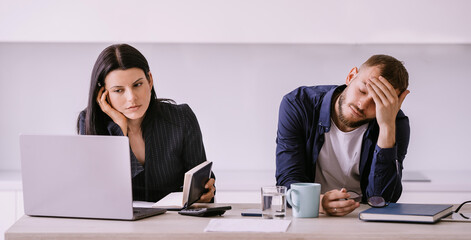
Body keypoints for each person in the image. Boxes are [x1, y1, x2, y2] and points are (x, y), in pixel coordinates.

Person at [77, 43, 215, 203]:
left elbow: (202, 181)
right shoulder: (89, 121)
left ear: (150, 81)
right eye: (118, 90)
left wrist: (207, 190)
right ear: (103, 93)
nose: (131, 98)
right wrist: (119, 130)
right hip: (118, 224)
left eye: (137, 85)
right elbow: (99, 194)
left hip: (174, 221)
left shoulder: (181, 118)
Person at [275, 54, 410, 216]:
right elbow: (288, 178)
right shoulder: (298, 104)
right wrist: (317, 201)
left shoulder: (395, 123)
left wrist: (387, 128)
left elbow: (381, 200)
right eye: (362, 91)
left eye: (376, 102)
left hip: (361, 216)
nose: (362, 104)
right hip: (311, 212)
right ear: (351, 76)